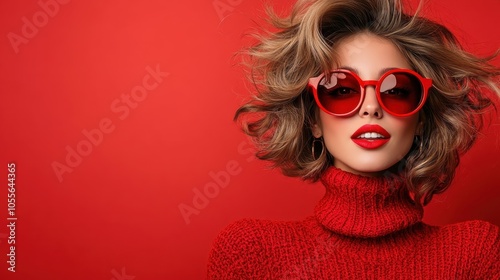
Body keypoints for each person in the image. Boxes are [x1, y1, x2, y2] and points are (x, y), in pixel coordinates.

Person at [207, 0, 500, 278]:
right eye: (342, 90)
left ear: (421, 118)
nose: (370, 107)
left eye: (396, 90)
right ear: (313, 120)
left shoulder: (475, 253)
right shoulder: (251, 253)